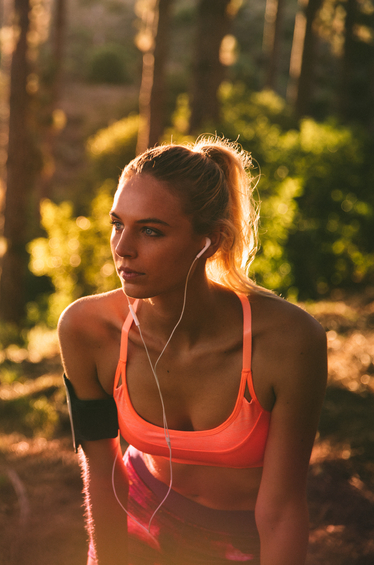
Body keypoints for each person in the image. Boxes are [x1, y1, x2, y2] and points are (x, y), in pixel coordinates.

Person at [57, 137, 327, 564]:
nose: (123, 248)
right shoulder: (87, 329)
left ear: (210, 240)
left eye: (150, 230)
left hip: (244, 540)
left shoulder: (289, 342)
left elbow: (281, 510)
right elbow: (104, 474)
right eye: (116, 224)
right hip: (138, 522)